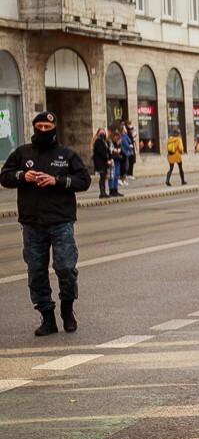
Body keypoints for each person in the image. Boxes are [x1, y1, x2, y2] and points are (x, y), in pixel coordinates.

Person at [1, 112, 91, 336]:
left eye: (47, 126)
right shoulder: (22, 153)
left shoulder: (66, 154)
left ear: (54, 128)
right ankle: (47, 317)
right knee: (36, 272)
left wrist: (57, 181)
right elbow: (5, 176)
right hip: (32, 222)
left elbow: (84, 180)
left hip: (61, 220)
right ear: (34, 128)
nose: (43, 130)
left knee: (65, 267)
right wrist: (23, 176)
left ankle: (67, 310)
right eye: (39, 126)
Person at [91, 127, 111, 199]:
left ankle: (104, 191)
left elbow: (107, 151)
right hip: (100, 162)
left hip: (104, 162)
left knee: (104, 177)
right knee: (102, 176)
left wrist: (110, 158)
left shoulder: (104, 141)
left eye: (104, 132)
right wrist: (107, 158)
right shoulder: (98, 141)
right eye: (101, 132)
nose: (103, 133)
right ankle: (102, 192)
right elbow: (101, 152)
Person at [107, 125, 124, 197]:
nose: (116, 139)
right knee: (112, 176)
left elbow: (120, 150)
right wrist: (115, 150)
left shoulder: (118, 143)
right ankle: (111, 190)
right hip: (112, 160)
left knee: (116, 175)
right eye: (115, 137)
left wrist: (119, 150)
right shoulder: (109, 142)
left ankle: (115, 189)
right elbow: (110, 150)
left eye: (118, 138)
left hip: (117, 160)